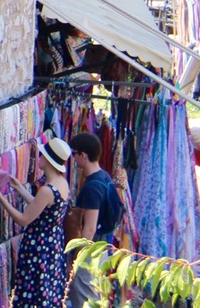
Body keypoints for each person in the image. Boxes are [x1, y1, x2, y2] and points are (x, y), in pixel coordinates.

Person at [0, 137, 73, 308]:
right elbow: (41, 207)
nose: (39, 157)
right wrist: (20, 188)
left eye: (41, 155)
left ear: (48, 161)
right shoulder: (62, 183)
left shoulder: (47, 190)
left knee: (32, 293)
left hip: (38, 247)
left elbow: (23, 219)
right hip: (51, 246)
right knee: (45, 291)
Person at [64, 132, 123, 308]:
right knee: (94, 296)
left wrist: (76, 259)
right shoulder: (104, 176)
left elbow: (89, 229)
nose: (73, 159)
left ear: (83, 155)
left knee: (85, 298)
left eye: (74, 154)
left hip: (90, 251)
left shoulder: (92, 188)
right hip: (102, 247)